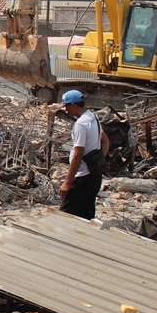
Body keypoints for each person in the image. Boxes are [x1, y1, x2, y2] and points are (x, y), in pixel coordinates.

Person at [59, 89, 110, 220]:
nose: (66, 111)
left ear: (73, 105)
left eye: (66, 107)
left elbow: (78, 154)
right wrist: (97, 162)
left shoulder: (80, 124)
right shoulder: (93, 119)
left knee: (65, 217)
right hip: (94, 177)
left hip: (82, 179)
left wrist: (67, 182)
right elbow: (105, 141)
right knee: (85, 217)